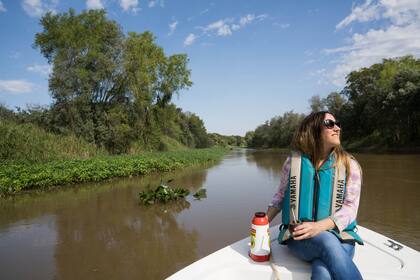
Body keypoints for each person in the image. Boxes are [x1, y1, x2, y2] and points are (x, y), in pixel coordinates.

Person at [266, 111, 364, 280]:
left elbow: (350, 208)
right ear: (313, 130)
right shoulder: (292, 163)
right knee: (326, 241)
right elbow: (280, 196)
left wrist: (319, 226)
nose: (337, 128)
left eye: (338, 124)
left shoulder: (350, 165)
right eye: (330, 124)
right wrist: (262, 223)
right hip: (301, 238)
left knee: (323, 271)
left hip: (342, 238)